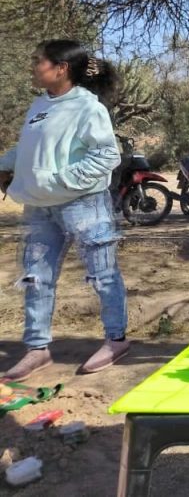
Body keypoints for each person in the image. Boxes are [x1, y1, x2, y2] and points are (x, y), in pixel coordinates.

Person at [0, 40, 129, 382]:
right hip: (40, 208)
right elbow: (29, 146)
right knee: (36, 278)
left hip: (83, 204)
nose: (33, 64)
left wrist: (60, 179)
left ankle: (116, 340)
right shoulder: (40, 105)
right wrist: (6, 165)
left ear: (61, 68)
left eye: (38, 60)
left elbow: (106, 156)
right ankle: (37, 348)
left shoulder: (88, 107)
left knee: (102, 275)